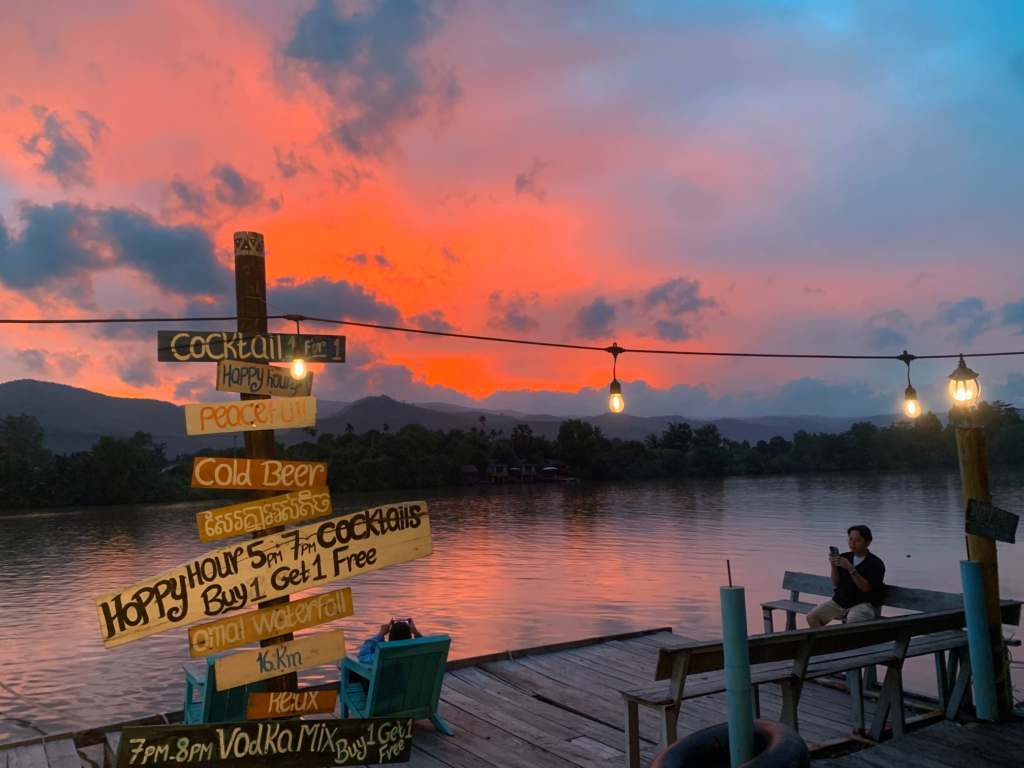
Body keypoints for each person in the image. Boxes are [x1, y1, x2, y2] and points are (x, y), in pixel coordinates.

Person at [806, 525, 885, 627]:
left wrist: (851, 568)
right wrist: (833, 565)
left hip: (863, 604)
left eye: (857, 540)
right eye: (850, 539)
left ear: (867, 543)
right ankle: (825, 643)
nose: (852, 543)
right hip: (841, 601)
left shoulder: (875, 563)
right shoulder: (844, 557)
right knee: (812, 617)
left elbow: (866, 588)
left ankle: (845, 643)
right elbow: (836, 583)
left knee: (851, 623)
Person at [357, 619, 422, 664]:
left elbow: (362, 655)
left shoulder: (384, 656)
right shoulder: (420, 655)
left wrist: (380, 634)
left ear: (390, 637)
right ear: (410, 636)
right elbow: (430, 647)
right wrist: (417, 633)